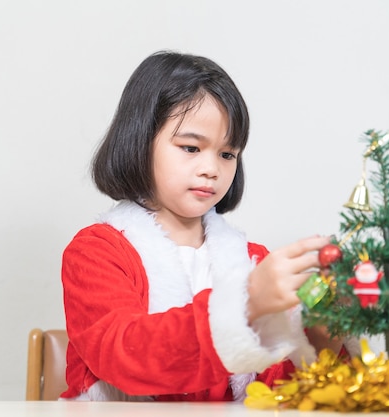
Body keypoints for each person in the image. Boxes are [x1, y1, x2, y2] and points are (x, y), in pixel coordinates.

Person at [61, 50, 346, 402]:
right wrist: (246, 302)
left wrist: (325, 331)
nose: (212, 168)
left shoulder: (253, 261)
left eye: (227, 154)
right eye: (191, 147)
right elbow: (124, 353)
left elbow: (275, 390)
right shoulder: (98, 252)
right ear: (138, 141)